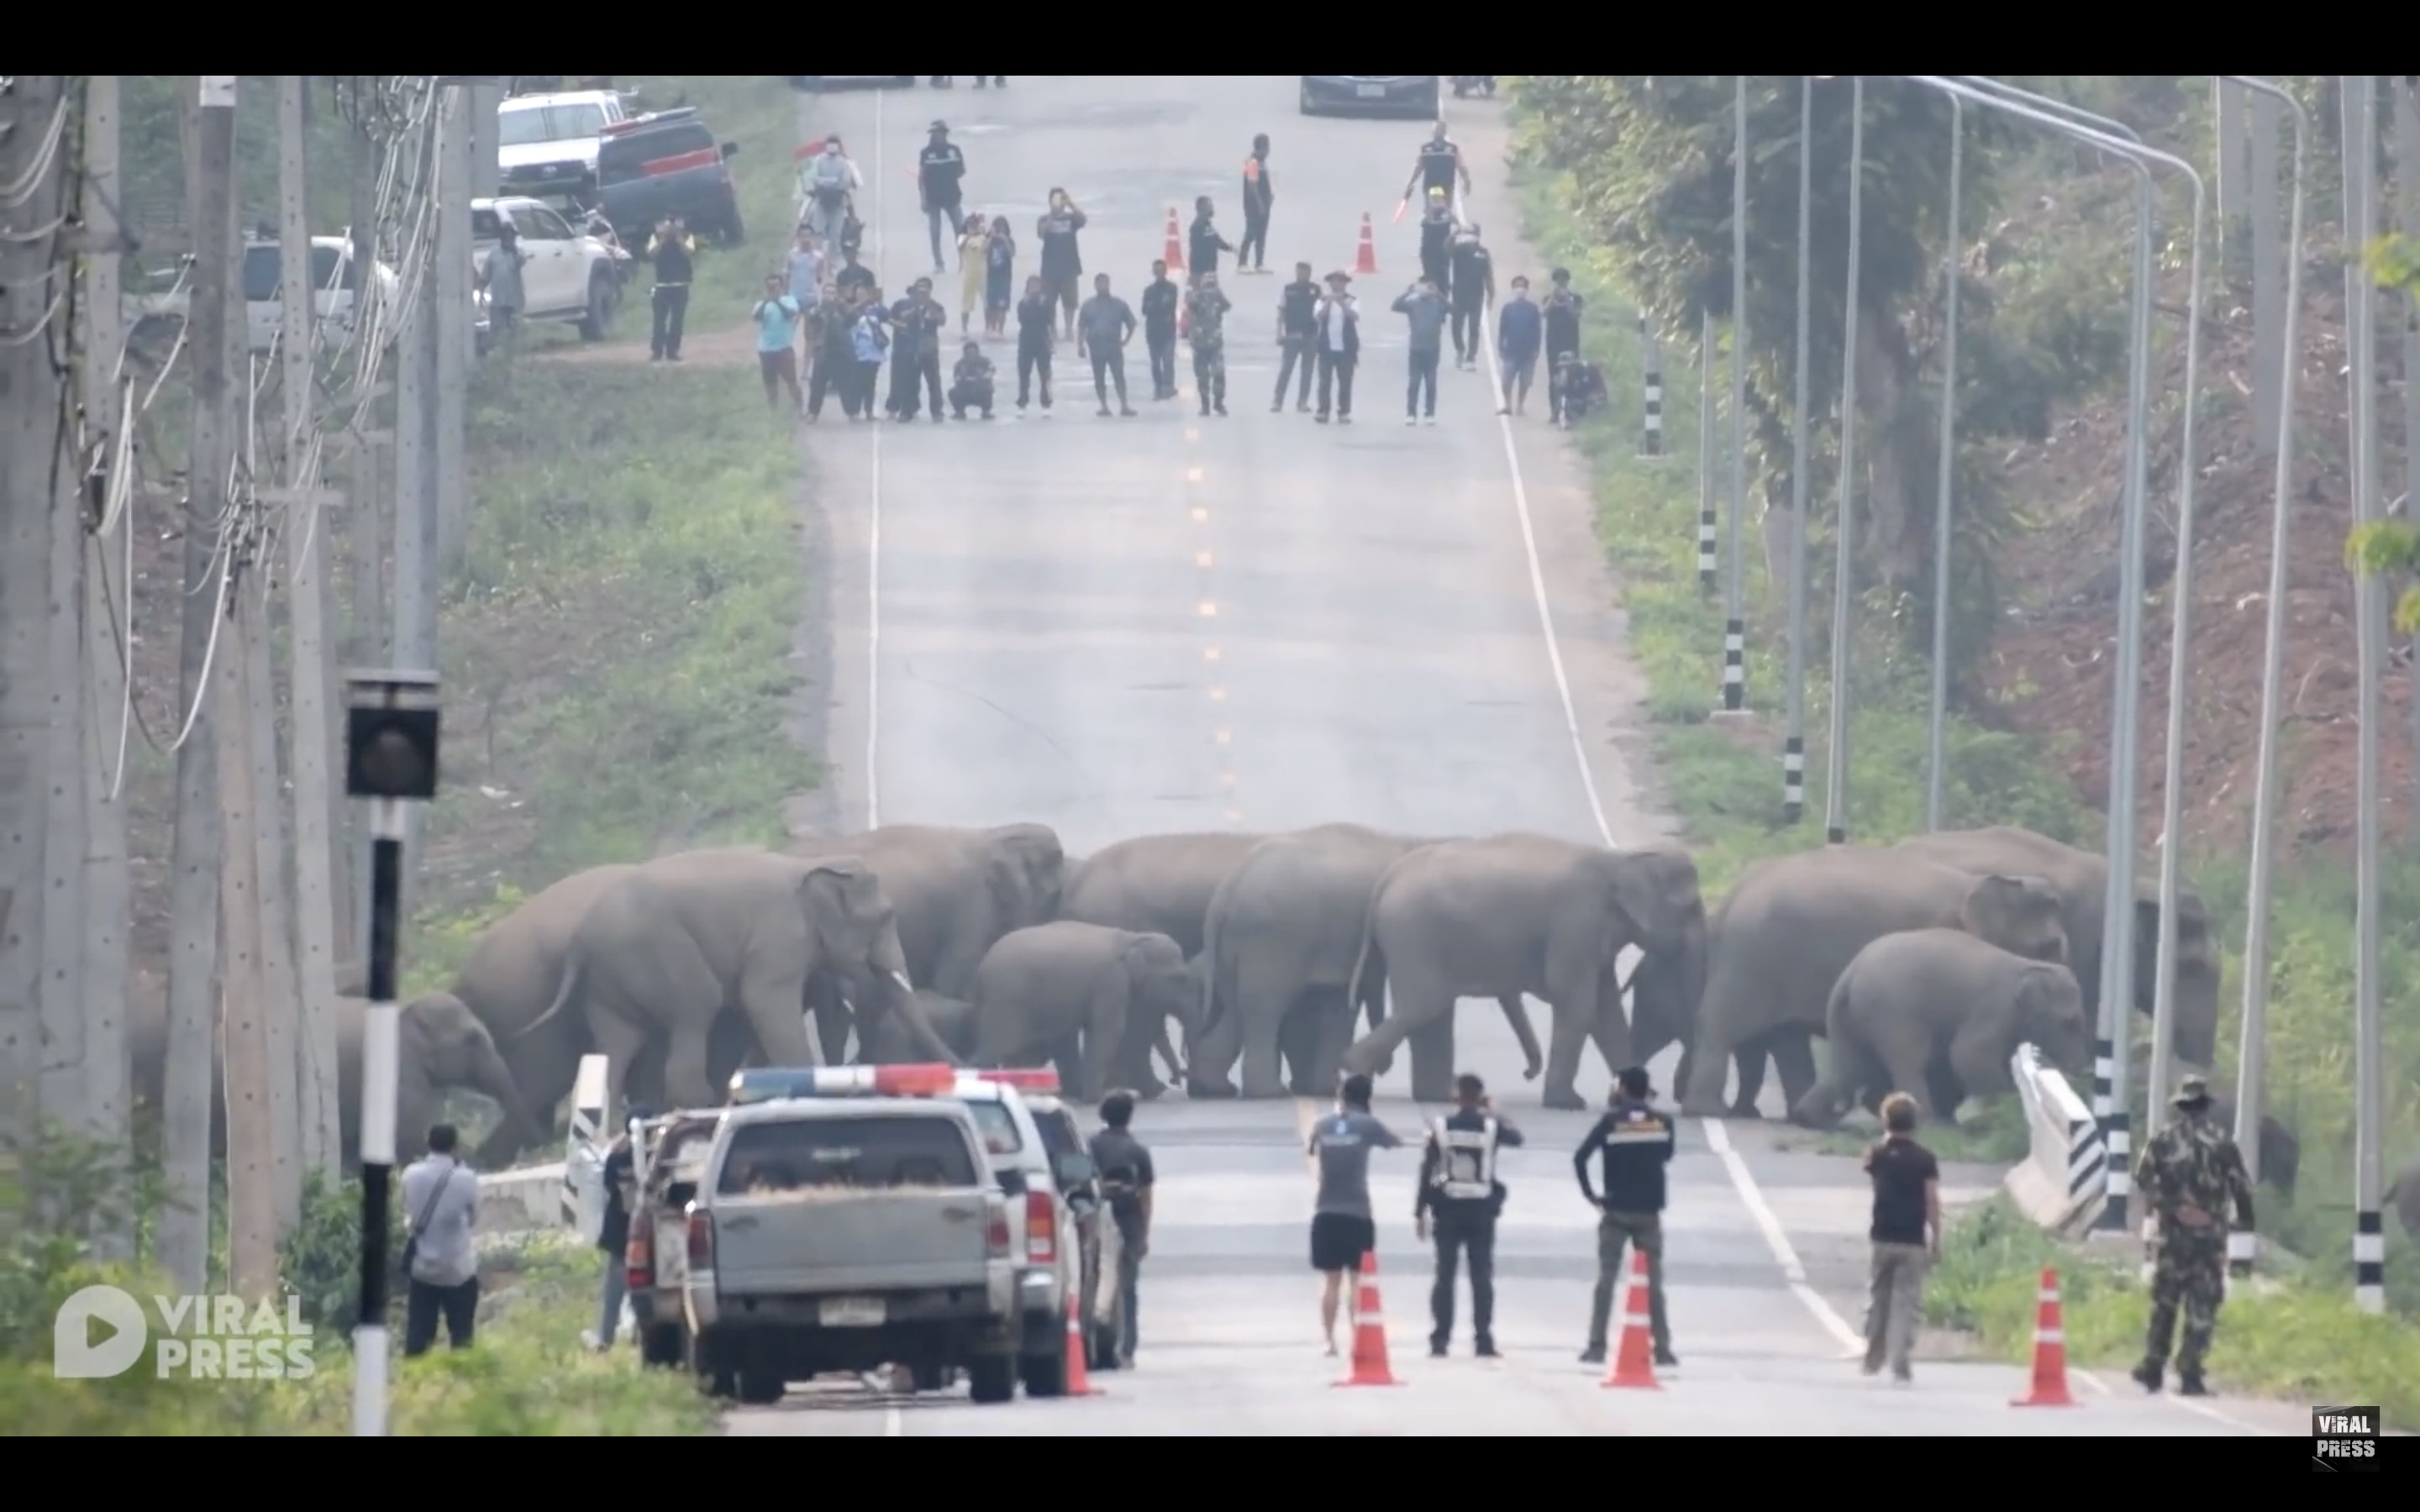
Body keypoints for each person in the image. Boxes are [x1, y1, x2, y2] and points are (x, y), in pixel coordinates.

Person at [2131, 1074, 2256, 1397]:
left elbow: (2143, 1178)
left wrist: (2172, 1207)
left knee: (2165, 1303)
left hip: (2172, 1236)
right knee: (2202, 1307)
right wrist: (2244, 1227)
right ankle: (2190, 1373)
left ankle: (2153, 1367)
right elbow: (2241, 1189)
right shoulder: (2224, 1143)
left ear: (2179, 1106)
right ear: (2206, 1107)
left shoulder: (2162, 1141)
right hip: (2209, 1238)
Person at [1574, 1066, 1679, 1368]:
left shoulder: (1610, 1122)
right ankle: (1663, 1349)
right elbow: (1667, 1156)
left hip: (1615, 1210)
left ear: (1621, 1088)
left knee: (1606, 1280)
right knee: (1653, 1284)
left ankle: (1596, 1346)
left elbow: (1580, 1157)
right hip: (1649, 1212)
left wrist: (1591, 1194)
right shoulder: (1664, 1122)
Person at [1416, 1073, 1523, 1358]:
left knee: (1444, 1277)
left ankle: (1440, 1340)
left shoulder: (1440, 1127)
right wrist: (1498, 1114)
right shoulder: (1491, 1127)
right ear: (1480, 1097)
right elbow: (1518, 1138)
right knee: (1482, 1278)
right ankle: (1483, 1340)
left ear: (1456, 1096)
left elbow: (1426, 1171)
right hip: (1481, 1211)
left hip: (1447, 1209)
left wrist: (1420, 1212)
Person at [1306, 1072, 1403, 1356]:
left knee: (1331, 1282)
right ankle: (1358, 1339)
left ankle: (1329, 1341)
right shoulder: (1368, 1125)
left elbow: (1311, 1149)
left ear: (1341, 1096)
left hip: (1325, 1211)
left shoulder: (1321, 1124)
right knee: (1358, 1282)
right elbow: (1394, 1142)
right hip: (1358, 1213)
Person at [1860, 1092, 1940, 1383]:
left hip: (1881, 1236)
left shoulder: (1877, 1154)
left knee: (1877, 1297)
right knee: (1907, 1301)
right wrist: (1936, 1237)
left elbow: (1869, 1167)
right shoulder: (1925, 1160)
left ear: (1885, 1120)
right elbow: (1932, 1201)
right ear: (1915, 1123)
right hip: (1913, 1239)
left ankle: (1873, 1353)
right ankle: (1900, 1360)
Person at [401, 1123, 482, 1356]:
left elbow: (407, 1212)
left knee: (418, 1335)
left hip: (423, 1270)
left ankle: (416, 1383)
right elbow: (474, 1218)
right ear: (456, 1146)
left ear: (428, 1144)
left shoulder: (410, 1174)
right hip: (459, 1271)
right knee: (462, 1335)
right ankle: (460, 1381)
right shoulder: (467, 1178)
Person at [1089, 1089, 1155, 1368]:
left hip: (1096, 1217)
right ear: (1129, 1118)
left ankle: (1095, 1339)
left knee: (1095, 1281)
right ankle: (1127, 1349)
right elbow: (1146, 1197)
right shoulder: (1138, 1151)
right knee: (1128, 1288)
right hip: (1129, 1220)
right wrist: (1143, 1234)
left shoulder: (1091, 1145)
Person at [588, 1105, 652, 1352]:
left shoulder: (616, 1160)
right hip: (649, 1237)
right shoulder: (658, 1159)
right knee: (645, 1292)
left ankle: (606, 1340)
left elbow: (608, 1186)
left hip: (620, 1236)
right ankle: (642, 1338)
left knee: (614, 1296)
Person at [1076, 272, 1138, 417]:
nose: (1102, 286)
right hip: (1096, 347)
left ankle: (1124, 404)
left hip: (1114, 346)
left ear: (1109, 285)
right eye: (1100, 283)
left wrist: (1126, 340)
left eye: (1105, 283)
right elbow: (1081, 327)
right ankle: (1104, 405)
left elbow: (1132, 323)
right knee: (1099, 378)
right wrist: (1080, 345)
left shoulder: (1119, 304)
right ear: (1095, 286)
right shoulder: (1088, 306)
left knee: (1119, 376)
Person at [888, 277, 948, 422]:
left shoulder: (935, 306)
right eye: (919, 290)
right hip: (911, 348)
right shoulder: (905, 305)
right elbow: (901, 319)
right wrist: (916, 309)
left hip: (929, 349)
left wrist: (929, 307)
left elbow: (942, 321)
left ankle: (937, 411)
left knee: (933, 381)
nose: (922, 293)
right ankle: (906, 411)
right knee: (909, 381)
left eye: (925, 290)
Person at [1391, 277, 1448, 425]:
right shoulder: (1413, 304)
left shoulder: (1437, 304)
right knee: (1414, 382)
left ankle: (1430, 413)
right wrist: (1407, 293)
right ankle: (1411, 413)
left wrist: (1439, 294)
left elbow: (1452, 308)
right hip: (1416, 348)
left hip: (1433, 349)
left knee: (1431, 382)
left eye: (1428, 287)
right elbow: (1395, 306)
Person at [1037, 188, 1090, 340]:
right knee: (1049, 302)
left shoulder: (1071, 219)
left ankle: (1068, 330)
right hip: (1049, 267)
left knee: (1070, 302)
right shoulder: (1044, 219)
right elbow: (1042, 233)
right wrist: (1052, 216)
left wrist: (1071, 205)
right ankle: (1052, 330)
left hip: (1070, 266)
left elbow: (1083, 220)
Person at [644, 214, 697, 362]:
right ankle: (657, 351)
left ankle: (672, 351)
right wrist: (663, 239)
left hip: (681, 284)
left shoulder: (687, 236)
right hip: (662, 285)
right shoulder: (655, 237)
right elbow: (652, 254)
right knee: (659, 321)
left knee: (677, 322)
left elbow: (690, 253)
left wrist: (678, 238)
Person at [918, 120, 968, 273]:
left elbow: (962, 171)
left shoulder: (954, 150)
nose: (935, 137)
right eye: (933, 134)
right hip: (933, 198)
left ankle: (964, 260)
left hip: (952, 196)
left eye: (938, 134)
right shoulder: (926, 153)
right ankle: (939, 262)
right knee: (935, 232)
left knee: (960, 230)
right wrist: (923, 198)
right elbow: (922, 177)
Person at [1272, 260, 1320, 413]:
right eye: (1300, 271)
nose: (1303, 274)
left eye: (1306, 271)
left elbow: (1321, 313)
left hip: (1310, 335)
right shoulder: (1288, 290)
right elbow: (1281, 311)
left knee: (1307, 371)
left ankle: (1303, 401)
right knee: (1286, 369)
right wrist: (1279, 332)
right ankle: (1278, 401)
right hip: (1292, 334)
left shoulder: (1316, 290)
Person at [1313, 270, 1360, 425]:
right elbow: (1319, 317)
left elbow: (1354, 316)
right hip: (1326, 346)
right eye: (1335, 281)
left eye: (1341, 281)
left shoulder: (1352, 300)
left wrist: (1341, 303)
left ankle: (1344, 411)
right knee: (1324, 381)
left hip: (1346, 348)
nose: (1338, 284)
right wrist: (1329, 302)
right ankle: (1323, 410)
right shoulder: (1322, 300)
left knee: (1345, 381)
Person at [753, 273, 804, 414]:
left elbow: (790, 314)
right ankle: (773, 411)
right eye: (770, 286)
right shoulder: (761, 304)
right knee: (770, 383)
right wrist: (766, 301)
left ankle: (800, 407)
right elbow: (757, 317)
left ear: (781, 287)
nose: (773, 289)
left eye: (776, 286)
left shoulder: (789, 300)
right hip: (766, 349)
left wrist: (776, 301)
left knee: (791, 381)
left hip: (784, 348)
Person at [1448, 221, 1496, 370]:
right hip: (1459, 294)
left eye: (1471, 233)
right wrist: (1455, 233)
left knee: (1474, 328)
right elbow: (1446, 248)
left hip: (1476, 295)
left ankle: (1471, 357)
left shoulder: (1483, 253)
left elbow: (1488, 275)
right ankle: (1460, 349)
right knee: (1456, 326)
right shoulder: (1459, 250)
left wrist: (1491, 295)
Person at [1185, 270, 1232, 417]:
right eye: (1208, 285)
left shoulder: (1218, 297)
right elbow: (1190, 307)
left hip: (1215, 343)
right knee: (1203, 376)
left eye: (1212, 285)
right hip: (1200, 343)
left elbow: (1227, 306)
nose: (1210, 289)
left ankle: (1218, 403)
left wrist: (1218, 295)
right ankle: (1205, 404)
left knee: (1218, 374)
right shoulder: (1197, 298)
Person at [1542, 266, 1586, 421]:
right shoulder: (1549, 298)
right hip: (1553, 343)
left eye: (1563, 280)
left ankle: (1571, 411)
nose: (1561, 284)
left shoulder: (1576, 298)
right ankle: (1554, 412)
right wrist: (1553, 300)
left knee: (1572, 376)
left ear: (1568, 281)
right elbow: (1544, 313)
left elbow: (1576, 315)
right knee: (1553, 378)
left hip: (1571, 341)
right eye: (1558, 281)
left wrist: (1567, 300)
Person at [1402, 119, 1472, 218]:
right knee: (1442, 213)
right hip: (1439, 186)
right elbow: (1461, 167)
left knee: (1434, 213)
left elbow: (1419, 167)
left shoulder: (1431, 148)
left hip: (1438, 186)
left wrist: (1410, 183)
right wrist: (1467, 181)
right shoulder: (1448, 149)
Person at [800, 136, 861, 246]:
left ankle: (853, 227)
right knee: (807, 211)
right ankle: (803, 226)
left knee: (848, 207)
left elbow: (854, 181)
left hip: (838, 196)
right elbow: (811, 177)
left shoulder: (845, 162)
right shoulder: (819, 160)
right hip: (821, 195)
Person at [477, 222, 526, 359]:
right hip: (499, 301)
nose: (508, 238)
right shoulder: (494, 255)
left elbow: (521, 261)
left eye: (510, 236)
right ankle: (487, 352)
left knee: (514, 331)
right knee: (496, 329)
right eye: (505, 235)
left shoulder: (518, 253)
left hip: (514, 300)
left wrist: (514, 249)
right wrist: (481, 292)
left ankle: (512, 356)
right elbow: (485, 276)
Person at [806, 281, 853, 420]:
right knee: (817, 383)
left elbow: (853, 317)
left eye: (832, 293)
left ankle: (851, 412)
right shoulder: (818, 310)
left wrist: (841, 304)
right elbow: (810, 320)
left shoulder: (842, 309)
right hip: (823, 350)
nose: (829, 295)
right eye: (827, 292)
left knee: (845, 384)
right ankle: (813, 413)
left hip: (840, 351)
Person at [1495, 274, 1542, 415]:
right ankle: (1508, 404)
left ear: (1527, 289)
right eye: (1517, 286)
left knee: (1525, 382)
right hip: (1511, 350)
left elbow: (1537, 330)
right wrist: (1500, 347)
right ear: (1513, 289)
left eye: (1522, 286)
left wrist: (1536, 349)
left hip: (1528, 351)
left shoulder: (1533, 308)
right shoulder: (1508, 308)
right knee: (1506, 381)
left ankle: (1520, 405)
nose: (1519, 289)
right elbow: (1502, 329)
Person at [1140, 259, 1181, 401]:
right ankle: (1158, 387)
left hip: (1168, 331)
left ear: (1165, 271)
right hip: (1153, 332)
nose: (1159, 274)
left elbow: (1170, 306)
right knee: (1156, 363)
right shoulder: (1149, 291)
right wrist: (1158, 306)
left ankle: (1168, 386)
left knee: (1168, 360)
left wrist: (1155, 306)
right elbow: (1145, 310)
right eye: (1156, 271)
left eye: (1161, 271)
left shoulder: (1172, 288)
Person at [1014, 274, 1055, 413]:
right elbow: (1023, 320)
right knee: (1024, 374)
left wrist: (1042, 305)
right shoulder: (1022, 304)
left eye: (1036, 286)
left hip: (1042, 340)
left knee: (1044, 374)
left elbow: (1048, 320)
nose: (1034, 289)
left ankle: (1046, 403)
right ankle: (1022, 403)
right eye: (1031, 286)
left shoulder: (1047, 303)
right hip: (1026, 341)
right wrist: (1029, 304)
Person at [847, 289, 889, 422]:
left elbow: (886, 316)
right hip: (857, 351)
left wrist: (878, 302)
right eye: (858, 294)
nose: (861, 297)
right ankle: (854, 412)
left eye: (864, 294)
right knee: (856, 383)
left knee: (870, 383)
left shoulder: (875, 310)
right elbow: (846, 322)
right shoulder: (852, 310)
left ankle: (869, 411)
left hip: (873, 352)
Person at [786, 227, 825, 371]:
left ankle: (805, 369)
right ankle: (789, 365)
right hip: (794, 298)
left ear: (813, 237)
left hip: (811, 300)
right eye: (802, 236)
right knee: (788, 333)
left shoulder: (818, 257)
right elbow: (787, 274)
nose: (805, 239)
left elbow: (821, 278)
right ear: (798, 237)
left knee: (810, 336)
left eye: (808, 236)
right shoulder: (792, 255)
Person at [1238, 134, 1274, 274]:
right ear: (1262, 148)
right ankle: (1242, 262)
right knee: (1251, 232)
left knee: (1262, 233)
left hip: (1264, 202)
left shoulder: (1262, 162)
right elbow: (1252, 186)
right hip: (1254, 204)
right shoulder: (1253, 162)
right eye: (1267, 147)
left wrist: (1269, 197)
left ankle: (1259, 262)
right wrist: (1260, 204)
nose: (1269, 151)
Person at [1415, 187, 1458, 294]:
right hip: (1441, 244)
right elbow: (1455, 222)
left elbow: (1424, 223)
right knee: (1442, 265)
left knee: (1435, 263)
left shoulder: (1432, 211)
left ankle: (1434, 281)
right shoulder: (1446, 211)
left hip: (1434, 243)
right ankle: (1443, 284)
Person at [1186, 195, 1234, 287]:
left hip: (1210, 270)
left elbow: (1216, 240)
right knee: (1201, 297)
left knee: (1212, 296)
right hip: (1201, 272)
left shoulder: (1207, 225)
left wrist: (1229, 248)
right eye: (1209, 206)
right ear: (1202, 208)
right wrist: (1195, 276)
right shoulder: (1197, 227)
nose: (1212, 208)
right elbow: (1196, 251)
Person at [982, 215, 1018, 339]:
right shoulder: (990, 240)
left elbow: (1012, 253)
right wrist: (991, 237)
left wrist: (1005, 240)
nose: (1000, 229)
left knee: (1002, 305)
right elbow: (984, 250)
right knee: (990, 304)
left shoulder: (1009, 240)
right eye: (998, 227)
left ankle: (1000, 329)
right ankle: (990, 327)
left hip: (1004, 277)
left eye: (1002, 227)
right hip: (991, 276)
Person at [955, 212, 990, 335]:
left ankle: (988, 327)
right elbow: (960, 247)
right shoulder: (962, 237)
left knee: (987, 301)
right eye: (970, 225)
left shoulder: (983, 238)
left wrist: (982, 231)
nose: (972, 227)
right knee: (966, 302)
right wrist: (969, 236)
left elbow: (987, 249)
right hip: (968, 273)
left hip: (982, 272)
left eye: (974, 225)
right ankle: (964, 328)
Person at [948, 339, 997, 419]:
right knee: (953, 392)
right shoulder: (960, 364)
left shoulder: (985, 361)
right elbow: (957, 379)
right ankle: (959, 411)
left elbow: (991, 372)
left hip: (980, 390)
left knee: (989, 389)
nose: (972, 355)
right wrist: (963, 376)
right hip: (965, 391)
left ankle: (986, 411)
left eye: (974, 352)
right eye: (969, 353)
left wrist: (982, 377)